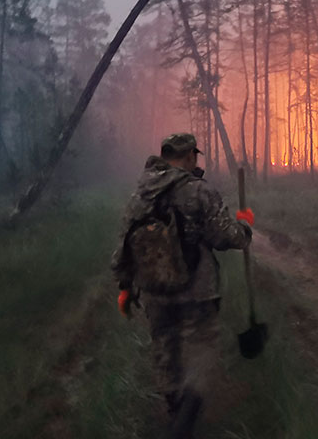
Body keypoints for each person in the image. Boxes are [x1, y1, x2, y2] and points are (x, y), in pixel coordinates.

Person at [111, 133, 253, 437]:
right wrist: (245, 229)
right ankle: (183, 425)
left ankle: (176, 414)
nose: (196, 161)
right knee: (202, 353)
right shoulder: (198, 191)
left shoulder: (141, 194)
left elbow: (124, 244)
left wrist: (125, 287)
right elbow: (223, 236)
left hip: (155, 292)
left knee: (166, 351)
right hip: (197, 291)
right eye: (194, 156)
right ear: (189, 155)